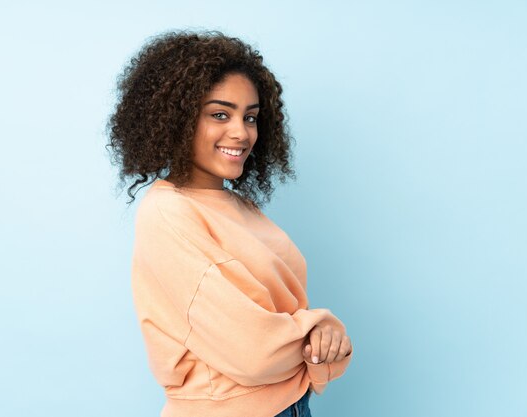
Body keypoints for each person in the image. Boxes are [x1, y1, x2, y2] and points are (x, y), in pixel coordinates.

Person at [106, 30, 353, 417]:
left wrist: (319, 340)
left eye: (250, 117)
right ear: (178, 118)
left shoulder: (238, 206)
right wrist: (320, 327)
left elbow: (278, 327)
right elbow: (254, 351)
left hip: (288, 404)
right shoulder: (169, 212)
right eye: (220, 114)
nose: (241, 132)